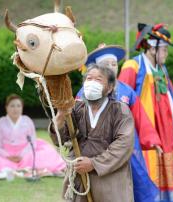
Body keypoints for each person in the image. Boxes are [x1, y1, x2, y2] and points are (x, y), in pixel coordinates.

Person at [118, 23, 173, 202]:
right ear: (152, 48)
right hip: (144, 131)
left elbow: (171, 95)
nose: (166, 54)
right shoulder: (133, 66)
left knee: (165, 171)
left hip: (165, 131)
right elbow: (121, 97)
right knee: (147, 169)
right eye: (164, 50)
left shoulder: (162, 70)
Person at [76, 44, 159, 201]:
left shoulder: (127, 91)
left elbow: (140, 117)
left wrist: (151, 139)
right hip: (96, 149)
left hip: (126, 146)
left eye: (114, 64)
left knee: (136, 181)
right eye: (106, 64)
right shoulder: (85, 92)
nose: (111, 67)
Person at [50, 64, 134, 202]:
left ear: (110, 87)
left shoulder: (120, 111)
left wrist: (93, 163)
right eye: (89, 79)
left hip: (109, 181)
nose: (92, 83)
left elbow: (123, 145)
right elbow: (60, 138)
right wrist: (59, 116)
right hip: (79, 179)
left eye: (98, 80)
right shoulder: (76, 108)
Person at [0, 94, 65, 178]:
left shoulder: (27, 121)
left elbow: (32, 141)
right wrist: (8, 156)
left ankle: (22, 165)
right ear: (6, 107)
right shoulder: (1, 123)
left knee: (44, 154)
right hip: (4, 153)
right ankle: (11, 165)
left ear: (22, 107)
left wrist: (22, 155)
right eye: (12, 106)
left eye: (18, 106)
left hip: (25, 153)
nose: (15, 109)